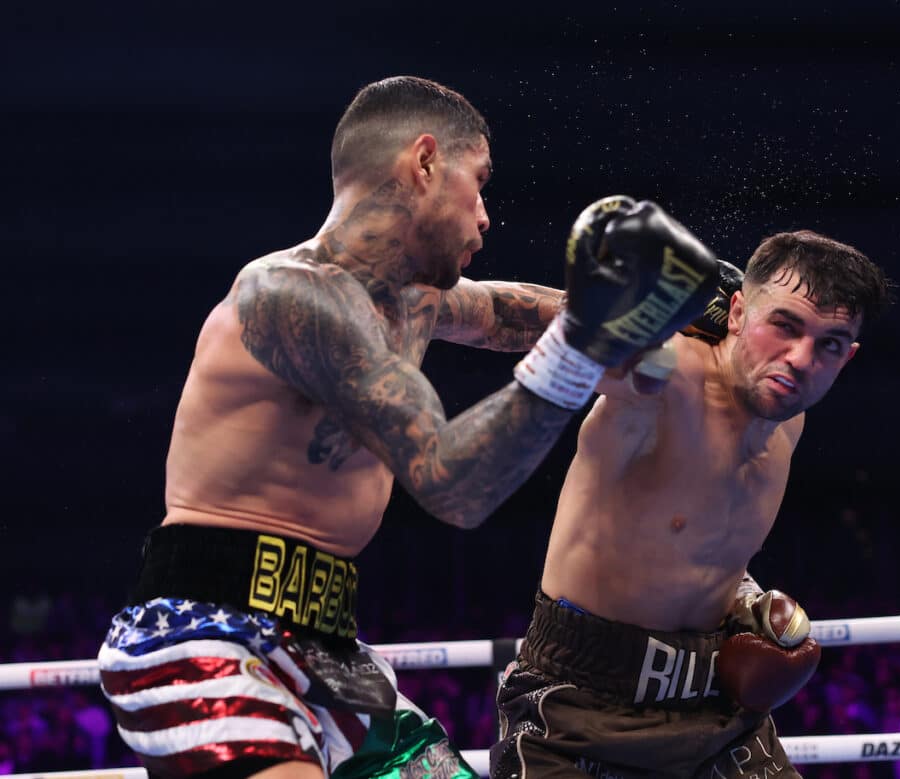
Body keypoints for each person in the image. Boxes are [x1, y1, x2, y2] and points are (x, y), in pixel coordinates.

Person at [95, 75, 723, 779]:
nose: (486, 215)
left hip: (330, 653)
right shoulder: (290, 297)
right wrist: (585, 338)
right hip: (204, 637)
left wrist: (665, 314)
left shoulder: (413, 301)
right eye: (478, 183)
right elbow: (453, 484)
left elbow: (508, 312)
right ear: (424, 162)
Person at [492, 230, 894, 778]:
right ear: (736, 312)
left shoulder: (787, 420)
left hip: (712, 712)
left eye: (827, 343)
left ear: (846, 357)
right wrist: (411, 303)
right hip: (579, 705)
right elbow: (548, 326)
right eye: (784, 325)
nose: (801, 358)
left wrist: (747, 598)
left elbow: (697, 537)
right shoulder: (667, 377)